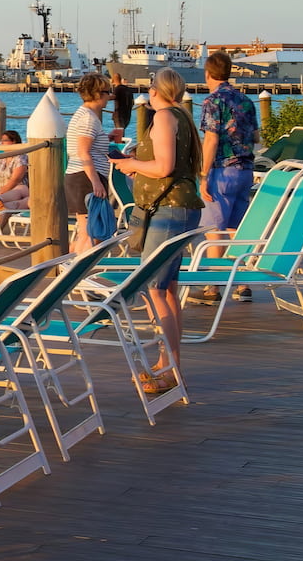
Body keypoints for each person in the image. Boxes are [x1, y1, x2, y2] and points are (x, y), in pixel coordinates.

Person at [109, 67, 202, 393]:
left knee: (156, 290)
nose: (148, 92)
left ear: (157, 90)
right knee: (167, 290)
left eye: (150, 87)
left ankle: (170, 368)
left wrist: (132, 165)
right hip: (178, 207)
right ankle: (168, 363)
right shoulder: (181, 116)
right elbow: (171, 165)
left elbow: (163, 167)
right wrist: (137, 162)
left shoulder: (163, 117)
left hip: (168, 210)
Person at [196, 50, 259, 305]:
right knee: (236, 229)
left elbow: (210, 139)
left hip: (221, 171)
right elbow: (255, 137)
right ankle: (243, 282)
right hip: (245, 170)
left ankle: (212, 287)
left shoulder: (213, 102)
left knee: (214, 230)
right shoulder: (245, 101)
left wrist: (202, 174)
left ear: (208, 73)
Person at [65, 72, 111, 255]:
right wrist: (96, 182)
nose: (110, 97)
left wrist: (106, 139)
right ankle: (79, 271)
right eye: (108, 92)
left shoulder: (84, 115)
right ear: (99, 94)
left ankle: (70, 267)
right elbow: (83, 152)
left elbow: (86, 147)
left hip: (79, 177)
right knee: (91, 232)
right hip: (84, 179)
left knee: (84, 230)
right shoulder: (89, 118)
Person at [110, 72, 135, 143]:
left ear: (113, 80)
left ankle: (120, 150)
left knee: (119, 135)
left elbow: (112, 97)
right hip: (127, 114)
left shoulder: (117, 89)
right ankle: (122, 149)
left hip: (119, 115)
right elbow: (132, 103)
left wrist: (102, 97)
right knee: (121, 133)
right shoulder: (128, 89)